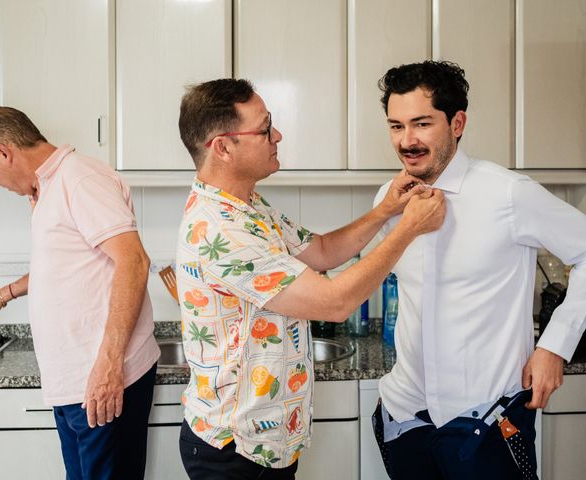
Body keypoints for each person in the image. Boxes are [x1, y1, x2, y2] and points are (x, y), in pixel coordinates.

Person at [175, 78, 446, 480]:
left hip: (263, 445)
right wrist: (409, 229)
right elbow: (334, 302)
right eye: (265, 128)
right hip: (237, 451)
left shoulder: (247, 207)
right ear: (224, 147)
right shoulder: (221, 230)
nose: (277, 135)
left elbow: (320, 251)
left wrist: (385, 211)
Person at [371, 60, 586, 479]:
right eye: (396, 126)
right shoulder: (390, 198)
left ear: (457, 122)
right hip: (406, 417)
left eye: (421, 124)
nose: (407, 140)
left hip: (487, 421)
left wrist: (555, 346)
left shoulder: (508, 193)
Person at [0, 107, 160, 480]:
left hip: (101, 381)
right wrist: (3, 294)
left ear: (4, 152)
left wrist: (108, 365)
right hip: (75, 384)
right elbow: (65, 268)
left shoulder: (80, 179)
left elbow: (134, 262)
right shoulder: (48, 188)